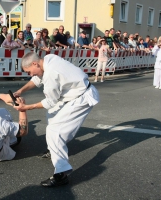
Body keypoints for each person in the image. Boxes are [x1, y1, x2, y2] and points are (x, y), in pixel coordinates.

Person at [10, 52, 99, 187]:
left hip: (81, 98)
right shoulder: (48, 59)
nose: (29, 74)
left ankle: (62, 174)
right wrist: (20, 91)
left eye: (29, 71)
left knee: (54, 131)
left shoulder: (51, 73)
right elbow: (37, 79)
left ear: (35, 63)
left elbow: (50, 101)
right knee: (51, 115)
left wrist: (26, 107)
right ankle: (54, 148)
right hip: (72, 94)